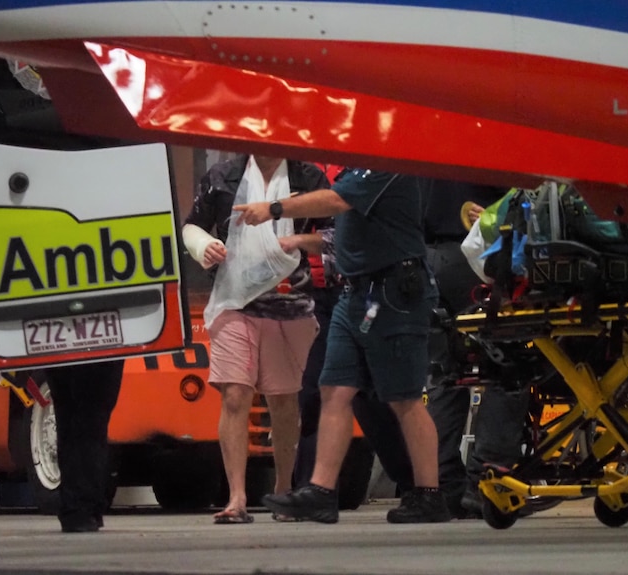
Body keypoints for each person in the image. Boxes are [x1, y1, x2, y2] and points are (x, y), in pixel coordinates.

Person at [236, 168, 450, 524]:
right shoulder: (357, 170)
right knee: (334, 389)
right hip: (357, 294)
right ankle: (321, 491)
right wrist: (301, 242)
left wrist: (273, 209)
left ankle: (430, 494)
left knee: (404, 398)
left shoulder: (382, 164)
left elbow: (336, 202)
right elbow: (349, 232)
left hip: (392, 293)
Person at [182, 154, 330, 524]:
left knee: (282, 400)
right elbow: (191, 227)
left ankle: (282, 491)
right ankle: (237, 498)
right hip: (235, 299)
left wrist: (297, 239)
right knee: (235, 394)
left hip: (290, 305)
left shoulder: (307, 175)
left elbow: (334, 236)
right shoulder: (222, 176)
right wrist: (204, 247)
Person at [294, 168, 414, 500]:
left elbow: (339, 209)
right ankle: (314, 489)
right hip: (334, 297)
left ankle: (421, 484)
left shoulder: (372, 169)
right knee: (324, 391)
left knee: (390, 397)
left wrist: (277, 211)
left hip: (376, 293)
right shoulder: (324, 169)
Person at [422, 180, 531, 518]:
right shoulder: (495, 135)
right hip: (478, 258)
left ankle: (441, 487)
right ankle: (487, 478)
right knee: (506, 369)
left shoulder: (426, 137)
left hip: (428, 261)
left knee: (444, 377)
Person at [44, 360, 125, 533]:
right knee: (91, 419)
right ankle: (82, 505)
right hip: (100, 349)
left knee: (68, 414)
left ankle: (79, 506)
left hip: (57, 347)